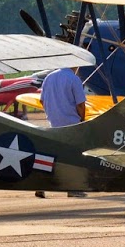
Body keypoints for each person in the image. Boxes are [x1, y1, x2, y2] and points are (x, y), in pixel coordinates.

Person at [36, 67, 88, 199]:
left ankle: (41, 185)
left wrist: (52, 113)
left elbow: (42, 101)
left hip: (53, 124)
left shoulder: (49, 77)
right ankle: (73, 189)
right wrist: (82, 119)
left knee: (51, 157)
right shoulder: (74, 79)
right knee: (73, 157)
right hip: (71, 124)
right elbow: (80, 105)